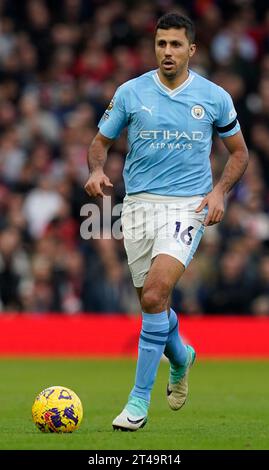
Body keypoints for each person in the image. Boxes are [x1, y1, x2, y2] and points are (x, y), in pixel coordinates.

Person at [84, 12, 249, 431]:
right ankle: (181, 355)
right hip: (138, 207)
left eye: (176, 44)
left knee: (156, 294)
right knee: (149, 302)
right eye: (161, 44)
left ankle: (137, 404)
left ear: (191, 49)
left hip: (187, 207)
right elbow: (99, 143)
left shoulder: (214, 97)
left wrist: (218, 193)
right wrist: (96, 170)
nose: (168, 52)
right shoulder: (130, 92)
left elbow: (239, 153)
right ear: (154, 47)